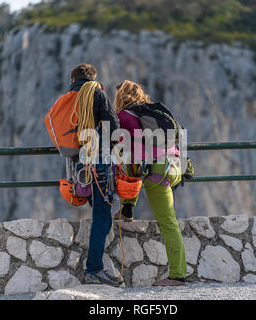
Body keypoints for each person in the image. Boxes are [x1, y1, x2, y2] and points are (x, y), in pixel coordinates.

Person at [114, 80, 187, 286]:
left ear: (121, 97)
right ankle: (127, 209)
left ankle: (178, 275)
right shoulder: (155, 111)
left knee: (168, 222)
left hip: (157, 171)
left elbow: (123, 150)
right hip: (174, 165)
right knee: (132, 165)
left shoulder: (125, 116)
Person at [67, 63, 121, 286]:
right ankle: (94, 270)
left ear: (73, 79)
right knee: (102, 215)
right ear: (92, 77)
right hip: (98, 162)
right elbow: (113, 124)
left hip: (77, 165)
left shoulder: (67, 98)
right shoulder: (97, 93)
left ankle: (94, 266)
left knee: (101, 214)